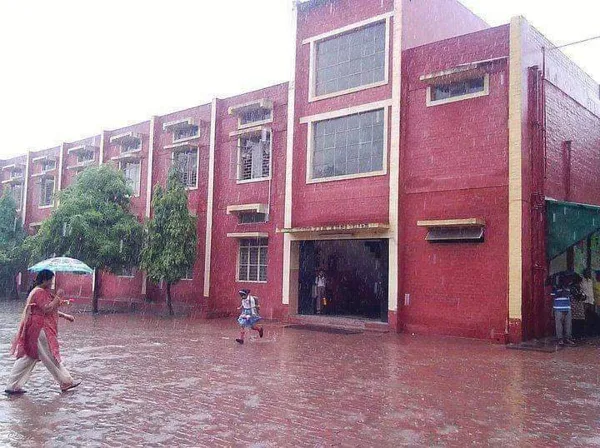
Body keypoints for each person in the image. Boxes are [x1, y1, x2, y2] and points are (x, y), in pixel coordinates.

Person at [5, 270, 80, 394]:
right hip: (39, 329)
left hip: (35, 328)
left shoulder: (37, 292)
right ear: (44, 280)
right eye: (50, 280)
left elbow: (45, 309)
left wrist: (65, 315)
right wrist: (59, 296)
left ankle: (12, 386)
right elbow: (47, 308)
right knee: (51, 356)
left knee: (28, 357)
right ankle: (65, 381)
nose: (51, 283)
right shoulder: (39, 292)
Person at [551, 276, 575, 346]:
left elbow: (570, 296)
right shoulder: (555, 287)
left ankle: (568, 338)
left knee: (568, 324)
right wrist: (561, 292)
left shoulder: (568, 288)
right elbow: (553, 296)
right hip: (558, 308)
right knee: (559, 324)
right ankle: (560, 339)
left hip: (567, 307)